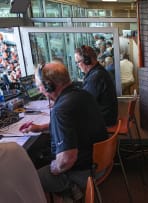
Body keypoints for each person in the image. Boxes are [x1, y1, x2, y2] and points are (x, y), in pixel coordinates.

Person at [19, 62, 108, 201]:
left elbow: (67, 160)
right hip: (99, 163)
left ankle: (71, 188)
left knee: (25, 182)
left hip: (82, 172)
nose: (40, 90)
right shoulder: (83, 94)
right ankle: (70, 192)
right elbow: (75, 125)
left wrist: (53, 168)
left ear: (49, 85)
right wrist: (41, 128)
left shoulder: (61, 109)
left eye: (39, 86)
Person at [74, 45, 118, 127]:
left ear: (86, 60)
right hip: (106, 117)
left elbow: (85, 103)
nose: (77, 65)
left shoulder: (96, 77)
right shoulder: (98, 71)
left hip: (104, 120)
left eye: (78, 62)